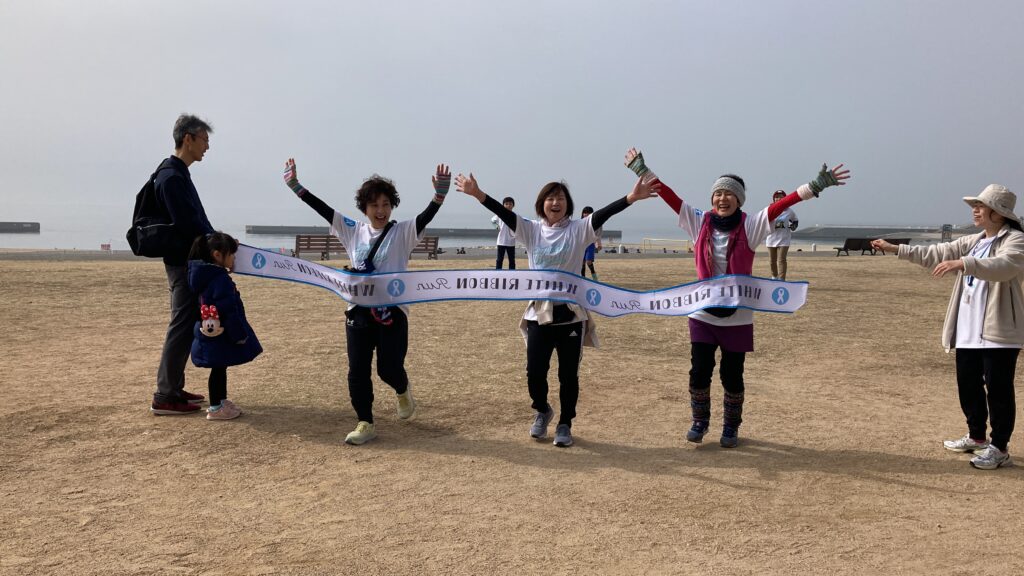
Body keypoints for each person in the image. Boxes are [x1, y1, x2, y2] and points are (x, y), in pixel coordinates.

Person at [624, 148, 850, 448]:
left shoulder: (751, 226)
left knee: (732, 375)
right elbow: (670, 197)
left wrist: (815, 186)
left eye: (729, 194)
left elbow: (782, 205)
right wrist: (642, 171)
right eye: (718, 194)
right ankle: (699, 421)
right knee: (699, 371)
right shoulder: (698, 222)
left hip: (739, 317)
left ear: (739, 200)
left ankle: (731, 427)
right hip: (702, 314)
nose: (723, 199)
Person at [455, 172, 660, 448]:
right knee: (534, 372)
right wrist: (478, 194)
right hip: (539, 315)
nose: (555, 202)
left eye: (561, 198)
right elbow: (502, 214)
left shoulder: (578, 230)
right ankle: (542, 410)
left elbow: (604, 214)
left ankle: (565, 423)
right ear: (542, 203)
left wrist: (631, 198)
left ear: (568, 204)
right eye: (550, 198)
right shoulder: (531, 230)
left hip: (570, 316)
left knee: (568, 376)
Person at [283, 158, 451, 445]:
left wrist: (439, 197)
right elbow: (323, 209)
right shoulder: (353, 230)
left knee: (388, 368)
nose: (380, 210)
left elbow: (425, 218)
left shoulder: (402, 232)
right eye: (374, 205)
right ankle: (365, 422)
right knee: (357, 370)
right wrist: (296, 186)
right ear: (364, 208)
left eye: (385, 204)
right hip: (358, 311)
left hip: (392, 313)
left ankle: (402, 389)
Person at [872, 185, 1024, 470]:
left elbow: (1004, 266)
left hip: (999, 331)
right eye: (975, 205)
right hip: (968, 328)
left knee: (998, 389)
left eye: (981, 205)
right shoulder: (975, 240)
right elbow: (936, 252)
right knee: (968, 384)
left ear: (999, 212)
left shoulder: (1015, 240)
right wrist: (895, 249)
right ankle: (977, 436)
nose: (975, 210)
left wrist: (964, 263)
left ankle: (1000, 447)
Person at [150, 114, 217, 415]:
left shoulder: (178, 173)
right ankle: (165, 394)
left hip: (187, 260)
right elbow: (188, 224)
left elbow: (194, 221)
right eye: (204, 140)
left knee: (185, 323)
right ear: (187, 139)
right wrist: (215, 243)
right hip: (183, 262)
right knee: (181, 325)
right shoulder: (171, 177)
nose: (207, 146)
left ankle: (174, 388)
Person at [187, 232, 263, 420]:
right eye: (232, 254)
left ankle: (220, 401)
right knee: (218, 368)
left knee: (220, 366)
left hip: (210, 329)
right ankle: (215, 407)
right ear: (217, 255)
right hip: (221, 332)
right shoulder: (220, 280)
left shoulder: (201, 275)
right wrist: (239, 334)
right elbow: (228, 309)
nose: (235, 258)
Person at [765, 190, 799, 280]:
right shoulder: (769, 209)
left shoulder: (789, 211)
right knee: (772, 261)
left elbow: (795, 220)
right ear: (774, 199)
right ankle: (774, 277)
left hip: (784, 239)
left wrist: (793, 226)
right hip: (771, 239)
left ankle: (781, 279)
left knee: (782, 260)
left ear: (785, 198)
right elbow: (763, 220)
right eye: (777, 197)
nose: (779, 198)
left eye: (781, 197)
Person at [492, 196, 517, 269]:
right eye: (506, 204)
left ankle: (512, 273)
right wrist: (496, 227)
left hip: (511, 241)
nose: (508, 205)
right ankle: (498, 273)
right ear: (503, 205)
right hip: (501, 241)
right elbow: (493, 220)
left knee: (512, 260)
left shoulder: (515, 216)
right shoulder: (500, 214)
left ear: (513, 205)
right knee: (499, 260)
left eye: (510, 204)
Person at [579, 206, 603, 280]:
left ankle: (594, 277)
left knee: (589, 261)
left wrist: (599, 244)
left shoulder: (597, 223)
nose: (586, 214)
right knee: (582, 263)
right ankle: (582, 279)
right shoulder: (579, 223)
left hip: (590, 244)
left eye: (588, 213)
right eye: (585, 212)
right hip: (581, 245)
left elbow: (598, 235)